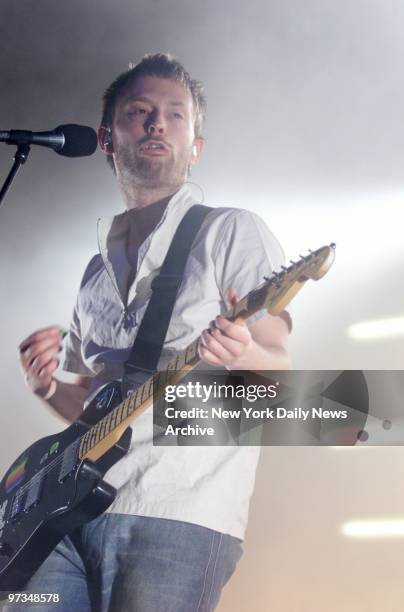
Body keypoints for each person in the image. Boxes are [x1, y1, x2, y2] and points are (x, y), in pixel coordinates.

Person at [16, 54, 291, 612]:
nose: (156, 123)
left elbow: (280, 366)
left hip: (177, 509)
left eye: (174, 115)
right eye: (139, 112)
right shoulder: (95, 271)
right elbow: (99, 413)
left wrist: (248, 351)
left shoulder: (230, 230)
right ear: (106, 139)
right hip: (64, 519)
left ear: (196, 147)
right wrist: (48, 389)